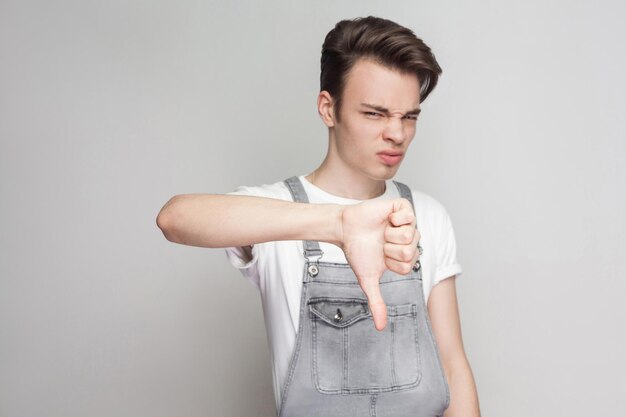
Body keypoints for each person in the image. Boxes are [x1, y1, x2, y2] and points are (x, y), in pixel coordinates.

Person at [157, 16, 480, 417]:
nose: (397, 134)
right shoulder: (275, 208)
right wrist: (336, 224)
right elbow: (175, 218)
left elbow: (453, 363)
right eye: (376, 114)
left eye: (409, 116)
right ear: (328, 109)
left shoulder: (427, 215)